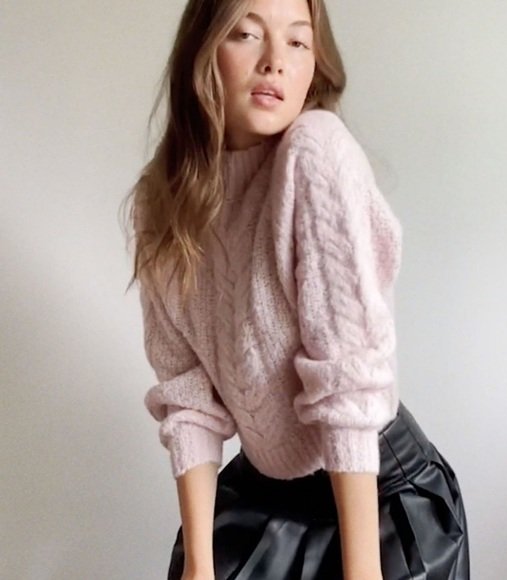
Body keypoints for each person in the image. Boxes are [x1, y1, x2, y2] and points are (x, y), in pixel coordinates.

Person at [123, 0, 470, 578]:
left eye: (298, 42)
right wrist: (199, 566)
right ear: (202, 51)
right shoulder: (159, 202)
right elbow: (188, 399)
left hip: (376, 494)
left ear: (316, 63)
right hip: (264, 493)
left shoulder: (315, 151)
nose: (274, 62)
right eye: (246, 34)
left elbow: (347, 382)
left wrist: (363, 571)